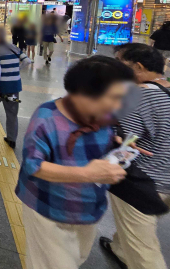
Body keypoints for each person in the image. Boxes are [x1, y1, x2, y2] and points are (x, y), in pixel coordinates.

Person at [16, 56, 137, 269]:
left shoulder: (104, 118)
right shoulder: (46, 118)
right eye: (114, 97)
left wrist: (120, 148)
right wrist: (87, 174)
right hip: (48, 208)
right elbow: (33, 165)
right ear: (84, 93)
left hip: (89, 207)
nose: (120, 105)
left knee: (77, 257)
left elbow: (99, 147)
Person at [100, 44, 170, 269]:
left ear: (138, 67)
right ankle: (120, 249)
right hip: (166, 178)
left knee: (144, 254)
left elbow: (126, 143)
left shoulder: (135, 97)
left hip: (144, 182)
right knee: (134, 230)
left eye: (119, 62)